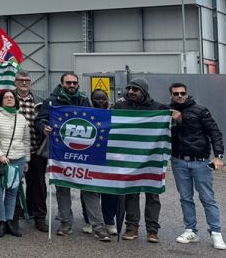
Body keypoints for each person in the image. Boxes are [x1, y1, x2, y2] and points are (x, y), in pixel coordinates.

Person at [36, 73, 106, 240]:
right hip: (61, 153)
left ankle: (98, 226)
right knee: (62, 189)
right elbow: (39, 120)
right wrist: (44, 127)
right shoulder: (51, 101)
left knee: (90, 189)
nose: (72, 85)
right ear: (62, 84)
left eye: (74, 82)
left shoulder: (84, 101)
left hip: (84, 152)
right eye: (68, 82)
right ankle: (65, 223)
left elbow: (94, 121)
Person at [169, 82, 226, 250]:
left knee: (207, 198)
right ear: (171, 95)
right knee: (185, 198)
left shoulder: (200, 110)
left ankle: (216, 233)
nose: (180, 96)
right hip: (178, 160)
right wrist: (176, 121)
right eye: (176, 93)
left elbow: (214, 132)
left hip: (201, 161)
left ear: (187, 94)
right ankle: (191, 230)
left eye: (182, 93)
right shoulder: (167, 112)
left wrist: (218, 156)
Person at [114, 77, 166, 243]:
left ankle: (152, 230)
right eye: (129, 88)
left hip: (152, 158)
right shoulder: (120, 106)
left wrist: (177, 118)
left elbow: (172, 125)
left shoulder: (159, 108)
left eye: (135, 89)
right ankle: (131, 228)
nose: (131, 92)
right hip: (129, 158)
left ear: (144, 91)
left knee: (152, 194)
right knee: (131, 193)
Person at [0, 89, 30, 238]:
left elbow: (26, 140)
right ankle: (1, 222)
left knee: (12, 192)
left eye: (12, 97)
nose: (10, 99)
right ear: (1, 100)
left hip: (19, 159)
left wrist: (27, 159)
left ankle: (9, 222)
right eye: (6, 97)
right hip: (0, 161)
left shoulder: (22, 118)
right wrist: (0, 156)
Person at [80, 89, 118, 237]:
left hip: (110, 156)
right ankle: (89, 221)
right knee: (88, 189)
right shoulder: (86, 112)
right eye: (97, 98)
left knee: (110, 191)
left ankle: (109, 221)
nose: (100, 101)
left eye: (103, 98)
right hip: (90, 156)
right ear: (91, 99)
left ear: (107, 98)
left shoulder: (115, 112)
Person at [12, 70, 45, 232]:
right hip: (14, 150)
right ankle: (14, 216)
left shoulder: (39, 102)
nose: (24, 83)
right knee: (13, 184)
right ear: (15, 82)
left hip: (35, 149)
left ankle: (39, 217)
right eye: (21, 80)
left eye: (27, 80)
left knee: (38, 185)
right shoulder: (9, 99)